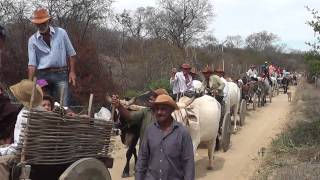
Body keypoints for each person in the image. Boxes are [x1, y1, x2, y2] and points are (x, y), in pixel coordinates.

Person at [135, 94, 195, 180]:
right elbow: (142, 159)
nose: (159, 112)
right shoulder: (149, 130)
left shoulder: (182, 132)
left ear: (171, 110)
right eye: (157, 109)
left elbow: (188, 163)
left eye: (163, 109)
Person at [28, 8, 76, 107]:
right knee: (43, 103)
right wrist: (29, 82)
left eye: (43, 23)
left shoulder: (61, 33)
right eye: (38, 24)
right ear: (35, 24)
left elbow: (71, 54)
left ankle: (62, 121)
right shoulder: (32, 40)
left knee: (63, 105)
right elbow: (32, 64)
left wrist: (72, 72)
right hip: (42, 75)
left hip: (61, 73)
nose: (41, 26)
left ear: (48, 21)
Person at [0, 79, 43, 180]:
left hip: (26, 153)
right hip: (37, 151)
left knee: (1, 162)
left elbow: (19, 147)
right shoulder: (42, 111)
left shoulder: (25, 114)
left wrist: (1, 151)